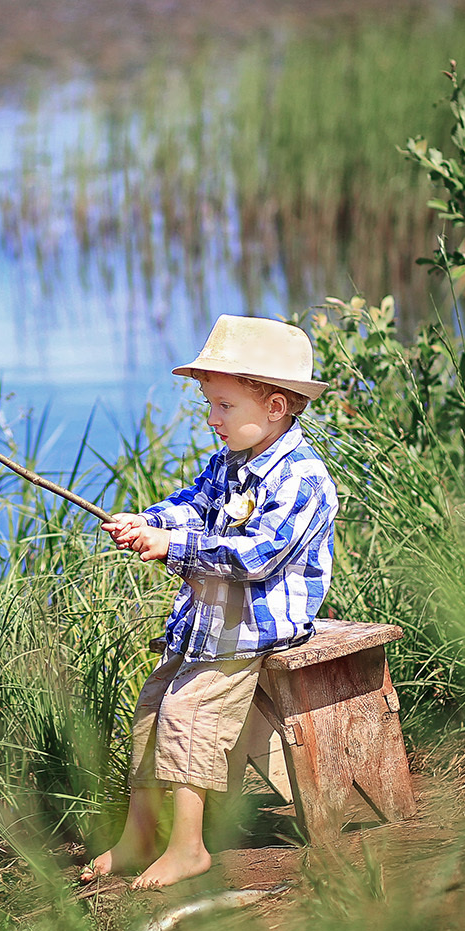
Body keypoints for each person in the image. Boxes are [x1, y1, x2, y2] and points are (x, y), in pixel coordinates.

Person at [84, 315, 338, 890]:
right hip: (207, 622)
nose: (211, 417)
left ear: (275, 405)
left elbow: (257, 558)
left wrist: (174, 547)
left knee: (189, 711)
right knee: (152, 709)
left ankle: (189, 847)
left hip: (254, 624)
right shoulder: (230, 465)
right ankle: (139, 835)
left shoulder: (302, 479)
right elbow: (192, 507)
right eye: (209, 403)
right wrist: (147, 523)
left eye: (222, 405)